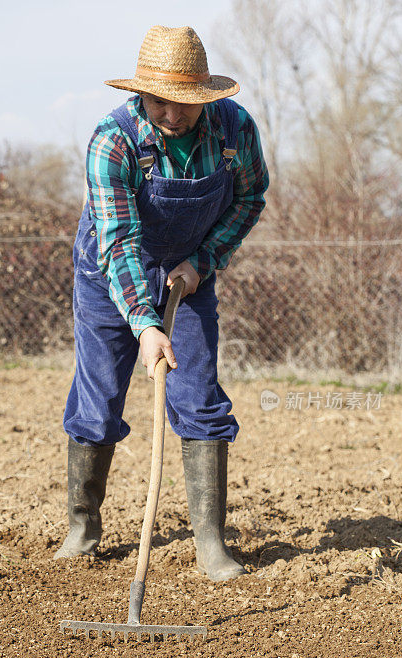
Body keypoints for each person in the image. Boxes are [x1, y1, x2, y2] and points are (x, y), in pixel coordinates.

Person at [53, 25, 269, 580]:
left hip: (188, 275)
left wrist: (204, 261)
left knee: (199, 399)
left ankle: (211, 544)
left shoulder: (233, 130)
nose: (173, 115)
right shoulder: (113, 141)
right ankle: (83, 526)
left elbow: (249, 197)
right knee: (99, 400)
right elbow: (119, 242)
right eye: (159, 102)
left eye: (186, 104)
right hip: (109, 276)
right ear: (140, 93)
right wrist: (146, 325)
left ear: (206, 96)